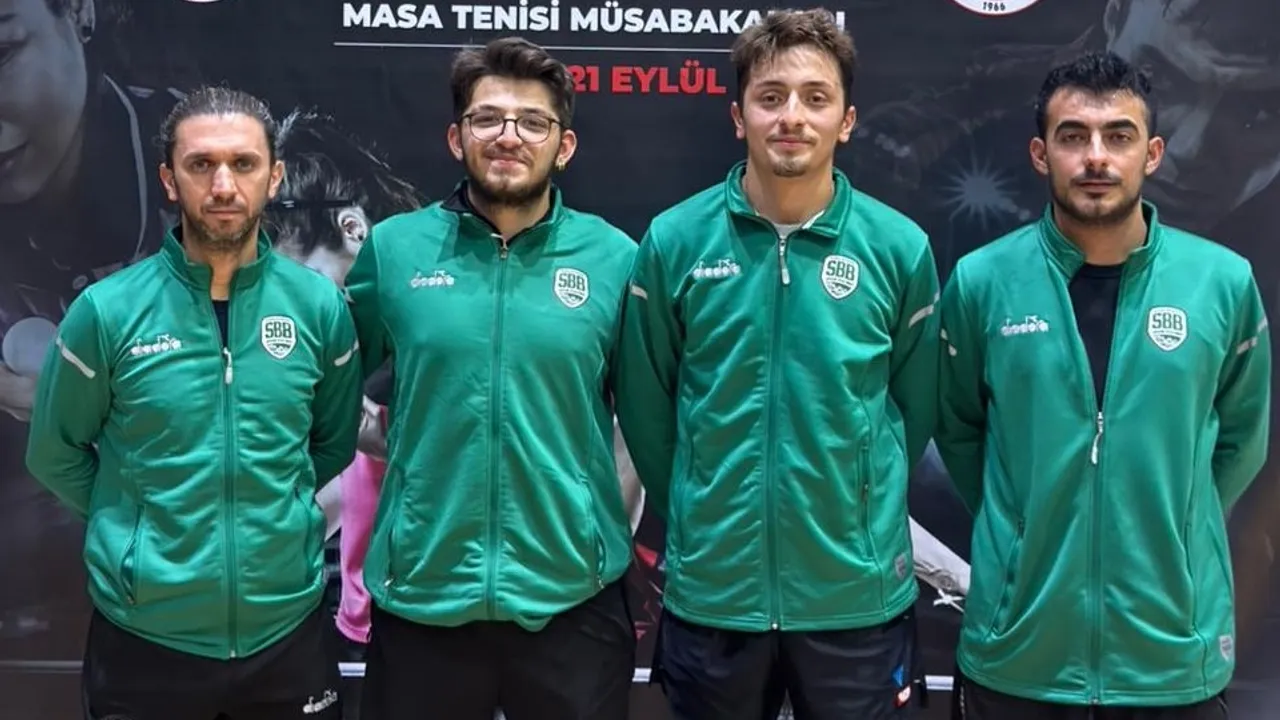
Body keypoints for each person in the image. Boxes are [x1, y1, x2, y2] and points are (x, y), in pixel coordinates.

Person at [615, 9, 940, 719]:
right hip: (715, 595)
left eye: (815, 98)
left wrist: (857, 497)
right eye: (771, 97)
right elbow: (646, 407)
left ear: (846, 122)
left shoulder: (899, 248)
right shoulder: (675, 240)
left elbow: (911, 412)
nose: (792, 116)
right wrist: (703, 509)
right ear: (739, 117)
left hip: (854, 599)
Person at [936, 51, 1270, 719]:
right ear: (1040, 154)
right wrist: (1027, 526)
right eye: (1073, 136)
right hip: (1019, 656)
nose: (1096, 157)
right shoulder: (981, 282)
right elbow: (959, 432)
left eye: (1118, 136)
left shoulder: (1223, 283)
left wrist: (1173, 521)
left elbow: (1240, 443)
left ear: (1152, 154)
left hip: (1169, 658)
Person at [23, 85, 363, 720]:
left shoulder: (318, 307)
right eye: (201, 164)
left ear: (274, 177)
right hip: (146, 641)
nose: (223, 185)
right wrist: (141, 528)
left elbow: (332, 441)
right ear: (169, 180)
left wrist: (271, 516)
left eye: (244, 163)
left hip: (285, 634)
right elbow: (54, 452)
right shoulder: (108, 311)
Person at [344, 37, 639, 719]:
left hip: (571, 602)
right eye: (487, 118)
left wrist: (598, 533)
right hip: (424, 598)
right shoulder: (394, 250)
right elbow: (329, 388)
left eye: (533, 121)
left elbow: (647, 418)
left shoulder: (615, 257)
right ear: (457, 137)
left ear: (564, 146)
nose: (509, 136)